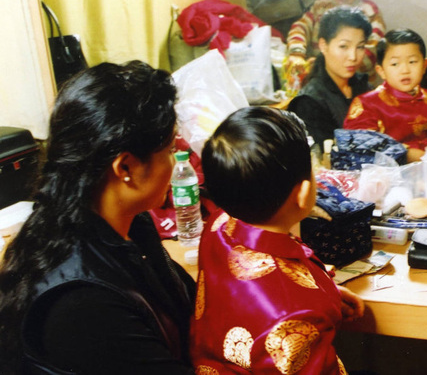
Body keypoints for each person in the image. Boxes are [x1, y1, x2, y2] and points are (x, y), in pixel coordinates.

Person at [0, 61, 196, 375]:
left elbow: (189, 309)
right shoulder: (80, 301)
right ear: (125, 167)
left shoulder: (130, 227)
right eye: (170, 149)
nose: (175, 163)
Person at [189, 106, 365, 374]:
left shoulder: (218, 224)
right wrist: (313, 303)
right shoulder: (298, 314)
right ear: (304, 193)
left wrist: (323, 289)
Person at [344, 29, 427, 163]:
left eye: (412, 62)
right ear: (381, 71)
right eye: (395, 64)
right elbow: (357, 147)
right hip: (386, 172)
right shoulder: (367, 104)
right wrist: (406, 153)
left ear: (424, 66)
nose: (405, 70)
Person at [284, 0, 385, 89]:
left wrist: (321, 64)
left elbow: (369, 56)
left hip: (356, 85)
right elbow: (300, 26)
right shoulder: (322, 4)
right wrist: (297, 52)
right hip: (319, 80)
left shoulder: (370, 13)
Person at [287, 5, 372, 149]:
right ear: (323, 45)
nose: (353, 57)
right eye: (344, 46)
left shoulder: (364, 86)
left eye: (360, 47)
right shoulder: (308, 102)